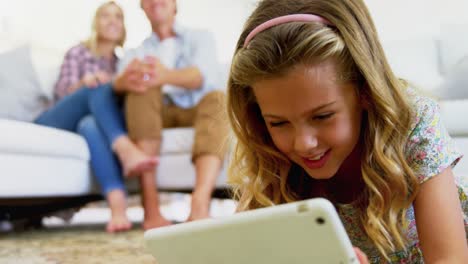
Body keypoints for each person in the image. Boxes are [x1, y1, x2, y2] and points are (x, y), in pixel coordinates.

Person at [226, 0, 468, 262]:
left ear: (365, 91)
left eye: (322, 116)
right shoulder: (270, 160)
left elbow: (449, 258)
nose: (304, 143)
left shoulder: (411, 120)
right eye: (278, 123)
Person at [35, 1, 158, 232]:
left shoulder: (122, 62)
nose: (112, 21)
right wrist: (85, 83)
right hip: (57, 122)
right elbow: (62, 93)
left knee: (90, 124)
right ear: (96, 23)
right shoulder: (78, 52)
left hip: (86, 126)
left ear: (123, 27)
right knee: (98, 87)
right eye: (105, 16)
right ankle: (125, 149)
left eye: (118, 17)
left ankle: (117, 208)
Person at [112, 0, 228, 229]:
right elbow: (118, 82)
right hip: (155, 113)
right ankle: (151, 209)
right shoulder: (136, 51)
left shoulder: (201, 37)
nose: (155, 1)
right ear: (142, 8)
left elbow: (200, 76)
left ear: (175, 5)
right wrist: (126, 81)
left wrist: (163, 76)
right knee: (140, 91)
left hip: (196, 106)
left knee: (218, 100)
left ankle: (199, 203)